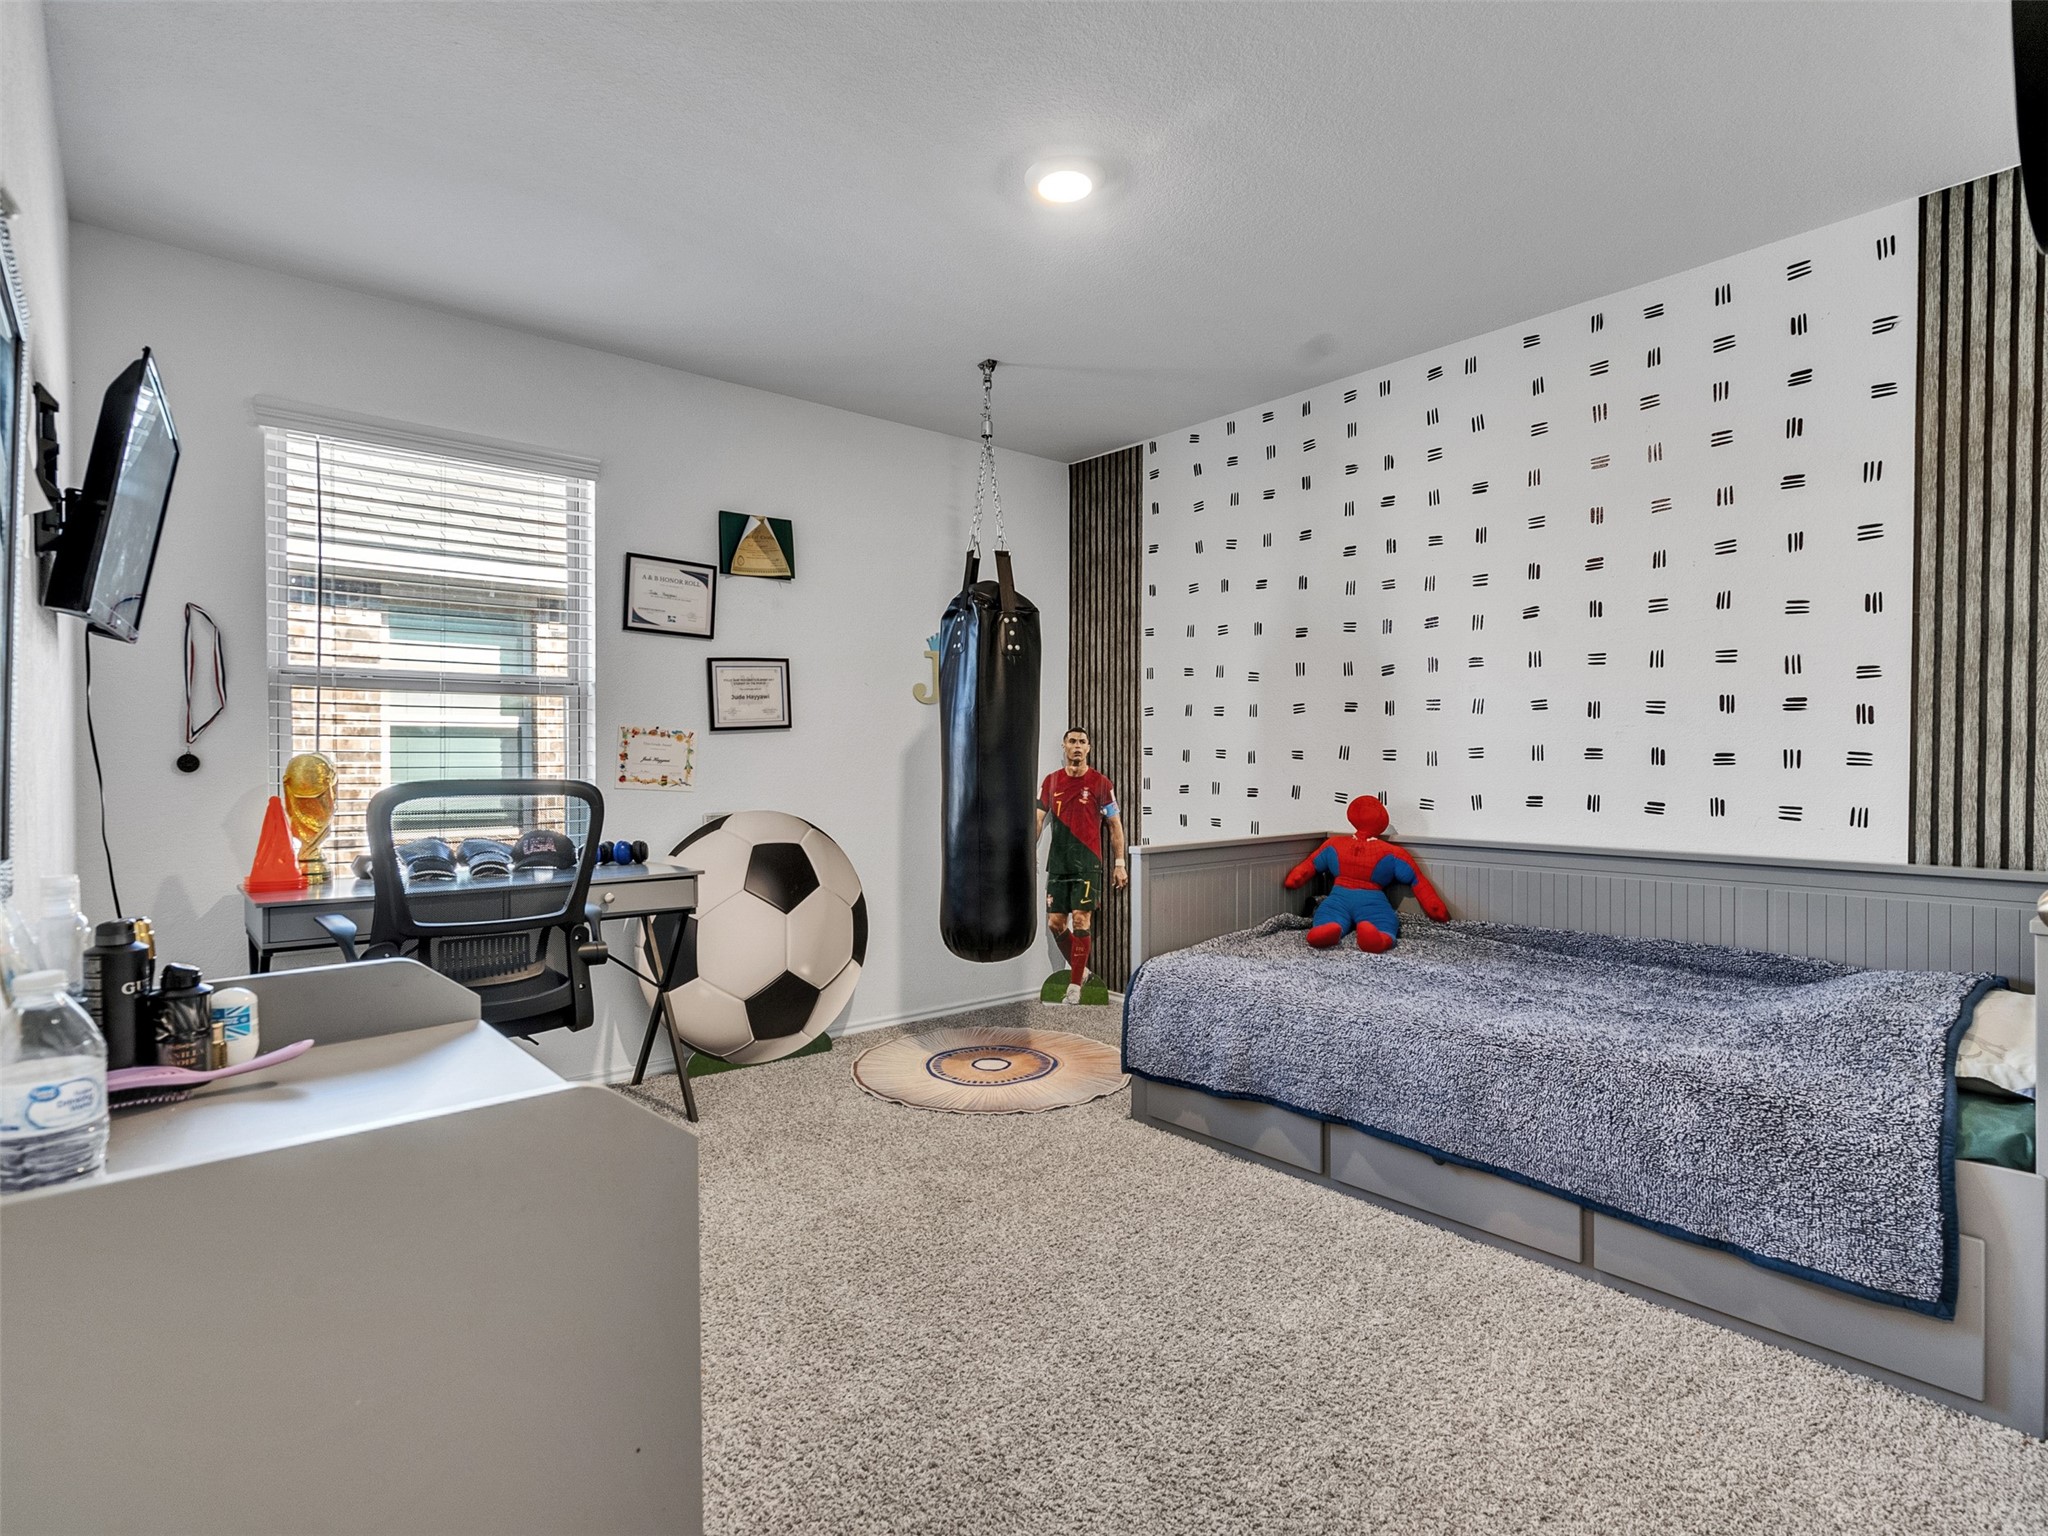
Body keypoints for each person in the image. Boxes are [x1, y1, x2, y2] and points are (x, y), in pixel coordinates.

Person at [1035, 726, 1127, 1004]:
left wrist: (1120, 863)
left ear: (1088, 748)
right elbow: (1038, 819)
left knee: (1081, 920)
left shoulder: (1101, 783)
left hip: (1088, 863)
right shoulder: (1051, 781)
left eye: (1082, 742)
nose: (1077, 746)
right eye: (1072, 741)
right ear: (1064, 746)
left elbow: (1114, 825)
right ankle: (1082, 971)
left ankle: (1074, 987)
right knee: (1055, 924)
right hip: (1058, 863)